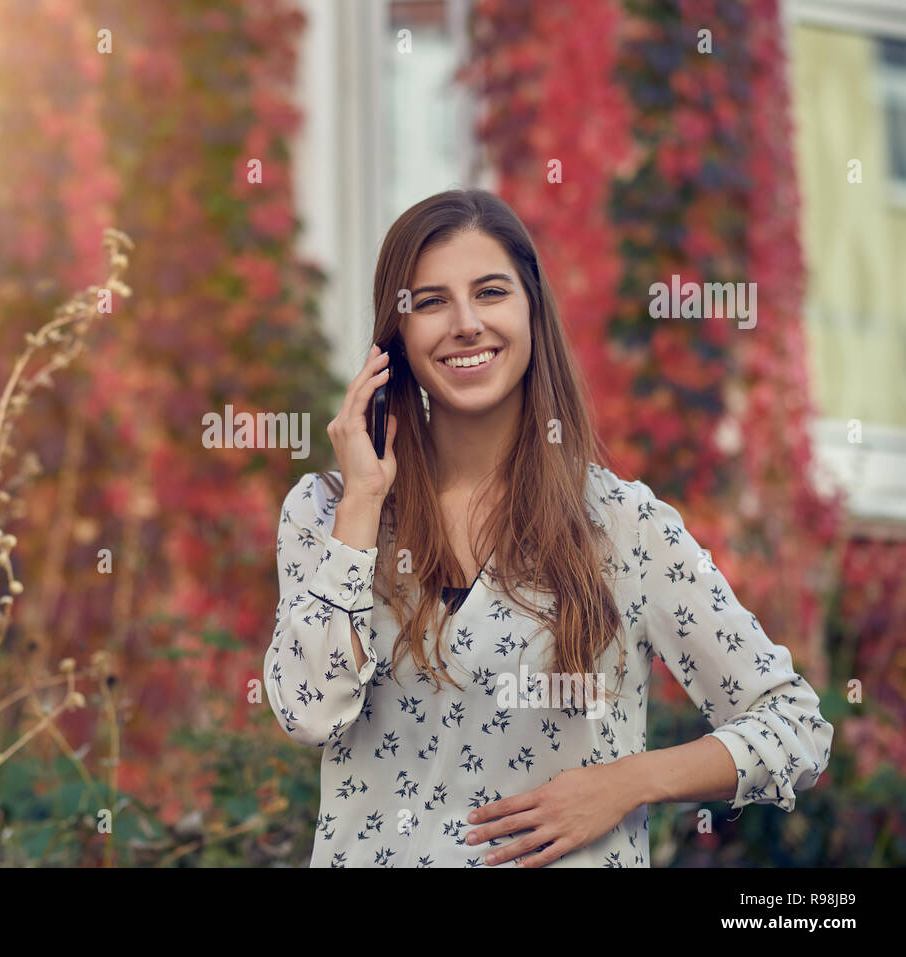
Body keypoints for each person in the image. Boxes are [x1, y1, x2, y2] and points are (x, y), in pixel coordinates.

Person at [263, 188, 833, 867]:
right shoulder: (325, 513)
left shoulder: (625, 526)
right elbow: (307, 711)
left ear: (533, 311)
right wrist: (362, 501)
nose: (466, 323)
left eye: (491, 292)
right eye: (433, 301)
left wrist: (627, 782)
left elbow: (795, 726)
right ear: (396, 335)